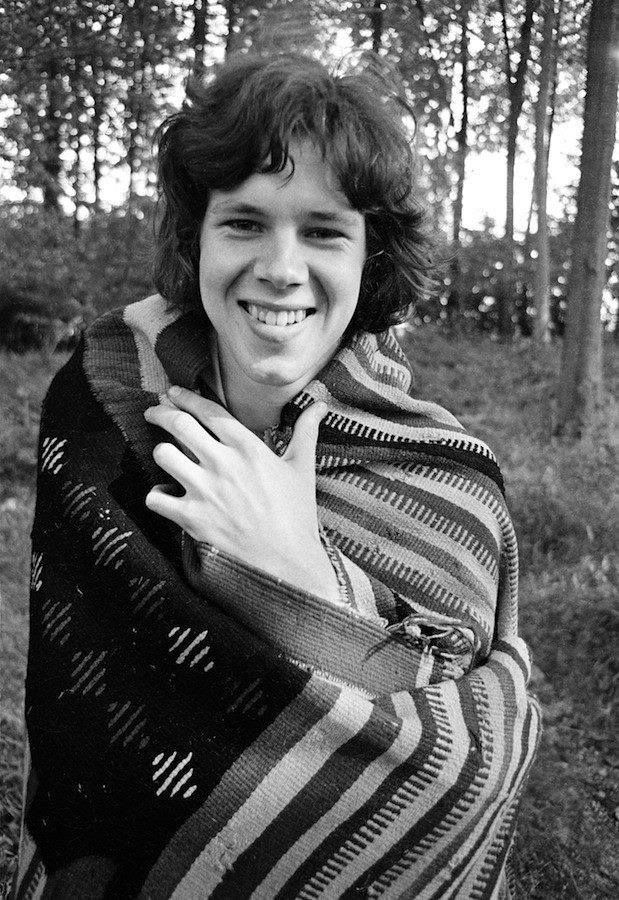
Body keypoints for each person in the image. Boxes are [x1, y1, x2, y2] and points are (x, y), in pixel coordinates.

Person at [14, 54, 540, 899]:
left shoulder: (447, 486)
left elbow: (462, 763)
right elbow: (80, 708)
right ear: (199, 238)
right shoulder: (105, 400)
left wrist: (295, 574)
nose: (282, 269)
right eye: (245, 223)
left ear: (371, 259)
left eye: (324, 231)